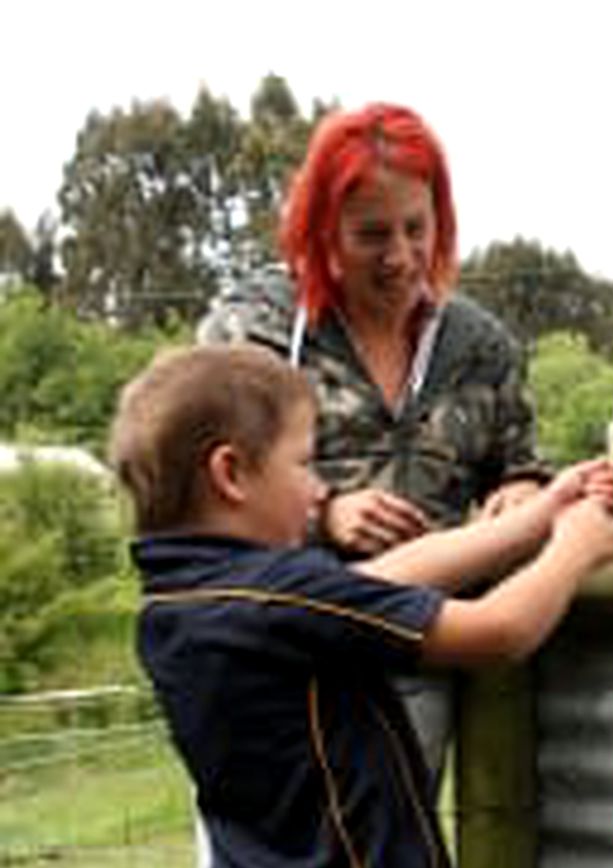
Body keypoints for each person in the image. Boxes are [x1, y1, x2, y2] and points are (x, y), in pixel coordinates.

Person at [110, 343, 613, 868]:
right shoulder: (281, 596)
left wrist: (535, 516)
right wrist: (576, 547)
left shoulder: (175, 607)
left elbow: (383, 575)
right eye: (303, 463)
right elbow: (498, 630)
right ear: (231, 474)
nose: (320, 489)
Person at [197, 102, 545, 802]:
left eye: (418, 229)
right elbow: (200, 487)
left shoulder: (477, 345)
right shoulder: (253, 326)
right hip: (282, 652)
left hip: (418, 649)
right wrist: (323, 516)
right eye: (372, 235)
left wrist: (523, 492)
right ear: (323, 229)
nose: (401, 257)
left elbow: (519, 457)